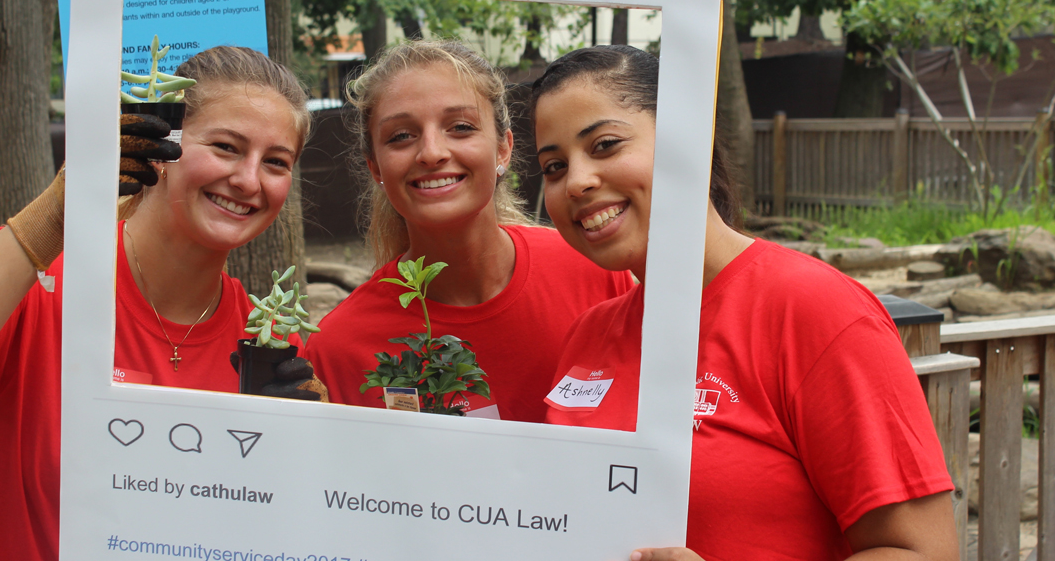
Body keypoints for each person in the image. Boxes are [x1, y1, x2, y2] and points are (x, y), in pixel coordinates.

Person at [0, 46, 322, 561]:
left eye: (276, 162)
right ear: (161, 146)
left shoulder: (267, 340)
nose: (248, 179)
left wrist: (310, 441)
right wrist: (58, 215)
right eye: (225, 146)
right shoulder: (43, 282)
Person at [530, 45, 958, 560]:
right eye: (554, 166)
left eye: (604, 145)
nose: (577, 181)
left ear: (688, 139)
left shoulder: (817, 312)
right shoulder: (590, 334)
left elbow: (924, 552)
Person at [300, 40, 632, 421]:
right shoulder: (338, 347)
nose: (431, 152)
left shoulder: (595, 271)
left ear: (503, 150)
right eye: (401, 136)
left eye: (460, 127)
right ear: (375, 167)